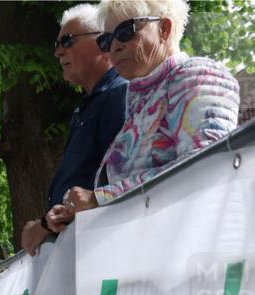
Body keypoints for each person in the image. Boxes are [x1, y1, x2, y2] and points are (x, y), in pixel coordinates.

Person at [47, 0, 240, 230]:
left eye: (126, 31)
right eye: (106, 40)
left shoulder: (196, 75)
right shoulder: (138, 99)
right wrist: (78, 214)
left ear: (164, 29)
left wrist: (99, 198)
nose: (114, 47)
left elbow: (211, 167)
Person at [21, 3, 128, 256]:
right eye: (57, 43)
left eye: (67, 41)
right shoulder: (84, 108)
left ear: (103, 44)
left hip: (102, 251)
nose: (58, 52)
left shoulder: (120, 95)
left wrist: (46, 225)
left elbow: (117, 182)